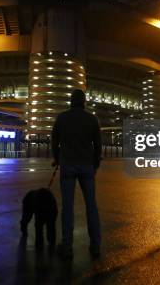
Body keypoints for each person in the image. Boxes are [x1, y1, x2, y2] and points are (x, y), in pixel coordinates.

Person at [52, 89, 102, 259]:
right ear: (84, 102)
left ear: (71, 101)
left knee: (68, 206)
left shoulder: (62, 118)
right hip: (87, 166)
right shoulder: (92, 119)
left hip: (68, 165)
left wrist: (57, 158)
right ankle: (95, 245)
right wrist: (95, 164)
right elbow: (98, 145)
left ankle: (67, 245)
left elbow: (55, 140)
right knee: (91, 205)